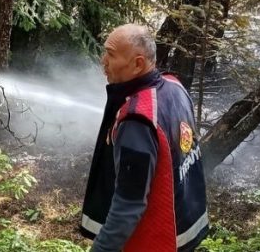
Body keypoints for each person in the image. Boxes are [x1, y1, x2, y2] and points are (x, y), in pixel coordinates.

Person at [80, 24, 208, 252]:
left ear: (138, 64)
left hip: (153, 242)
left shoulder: (137, 121)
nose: (103, 61)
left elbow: (128, 204)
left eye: (110, 54)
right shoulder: (174, 87)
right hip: (182, 233)